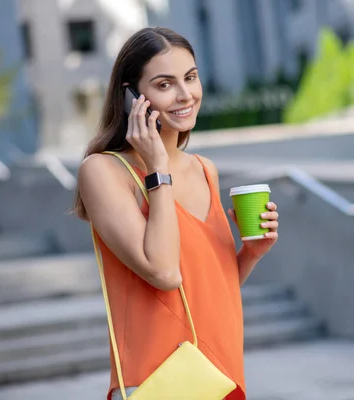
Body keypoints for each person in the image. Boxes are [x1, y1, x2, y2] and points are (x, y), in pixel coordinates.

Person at [73, 27, 279, 400]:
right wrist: (157, 170)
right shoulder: (103, 171)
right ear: (131, 97)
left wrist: (249, 255)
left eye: (191, 77)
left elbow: (205, 289)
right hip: (158, 381)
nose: (186, 95)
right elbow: (164, 273)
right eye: (165, 84)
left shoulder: (205, 169)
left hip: (220, 376)